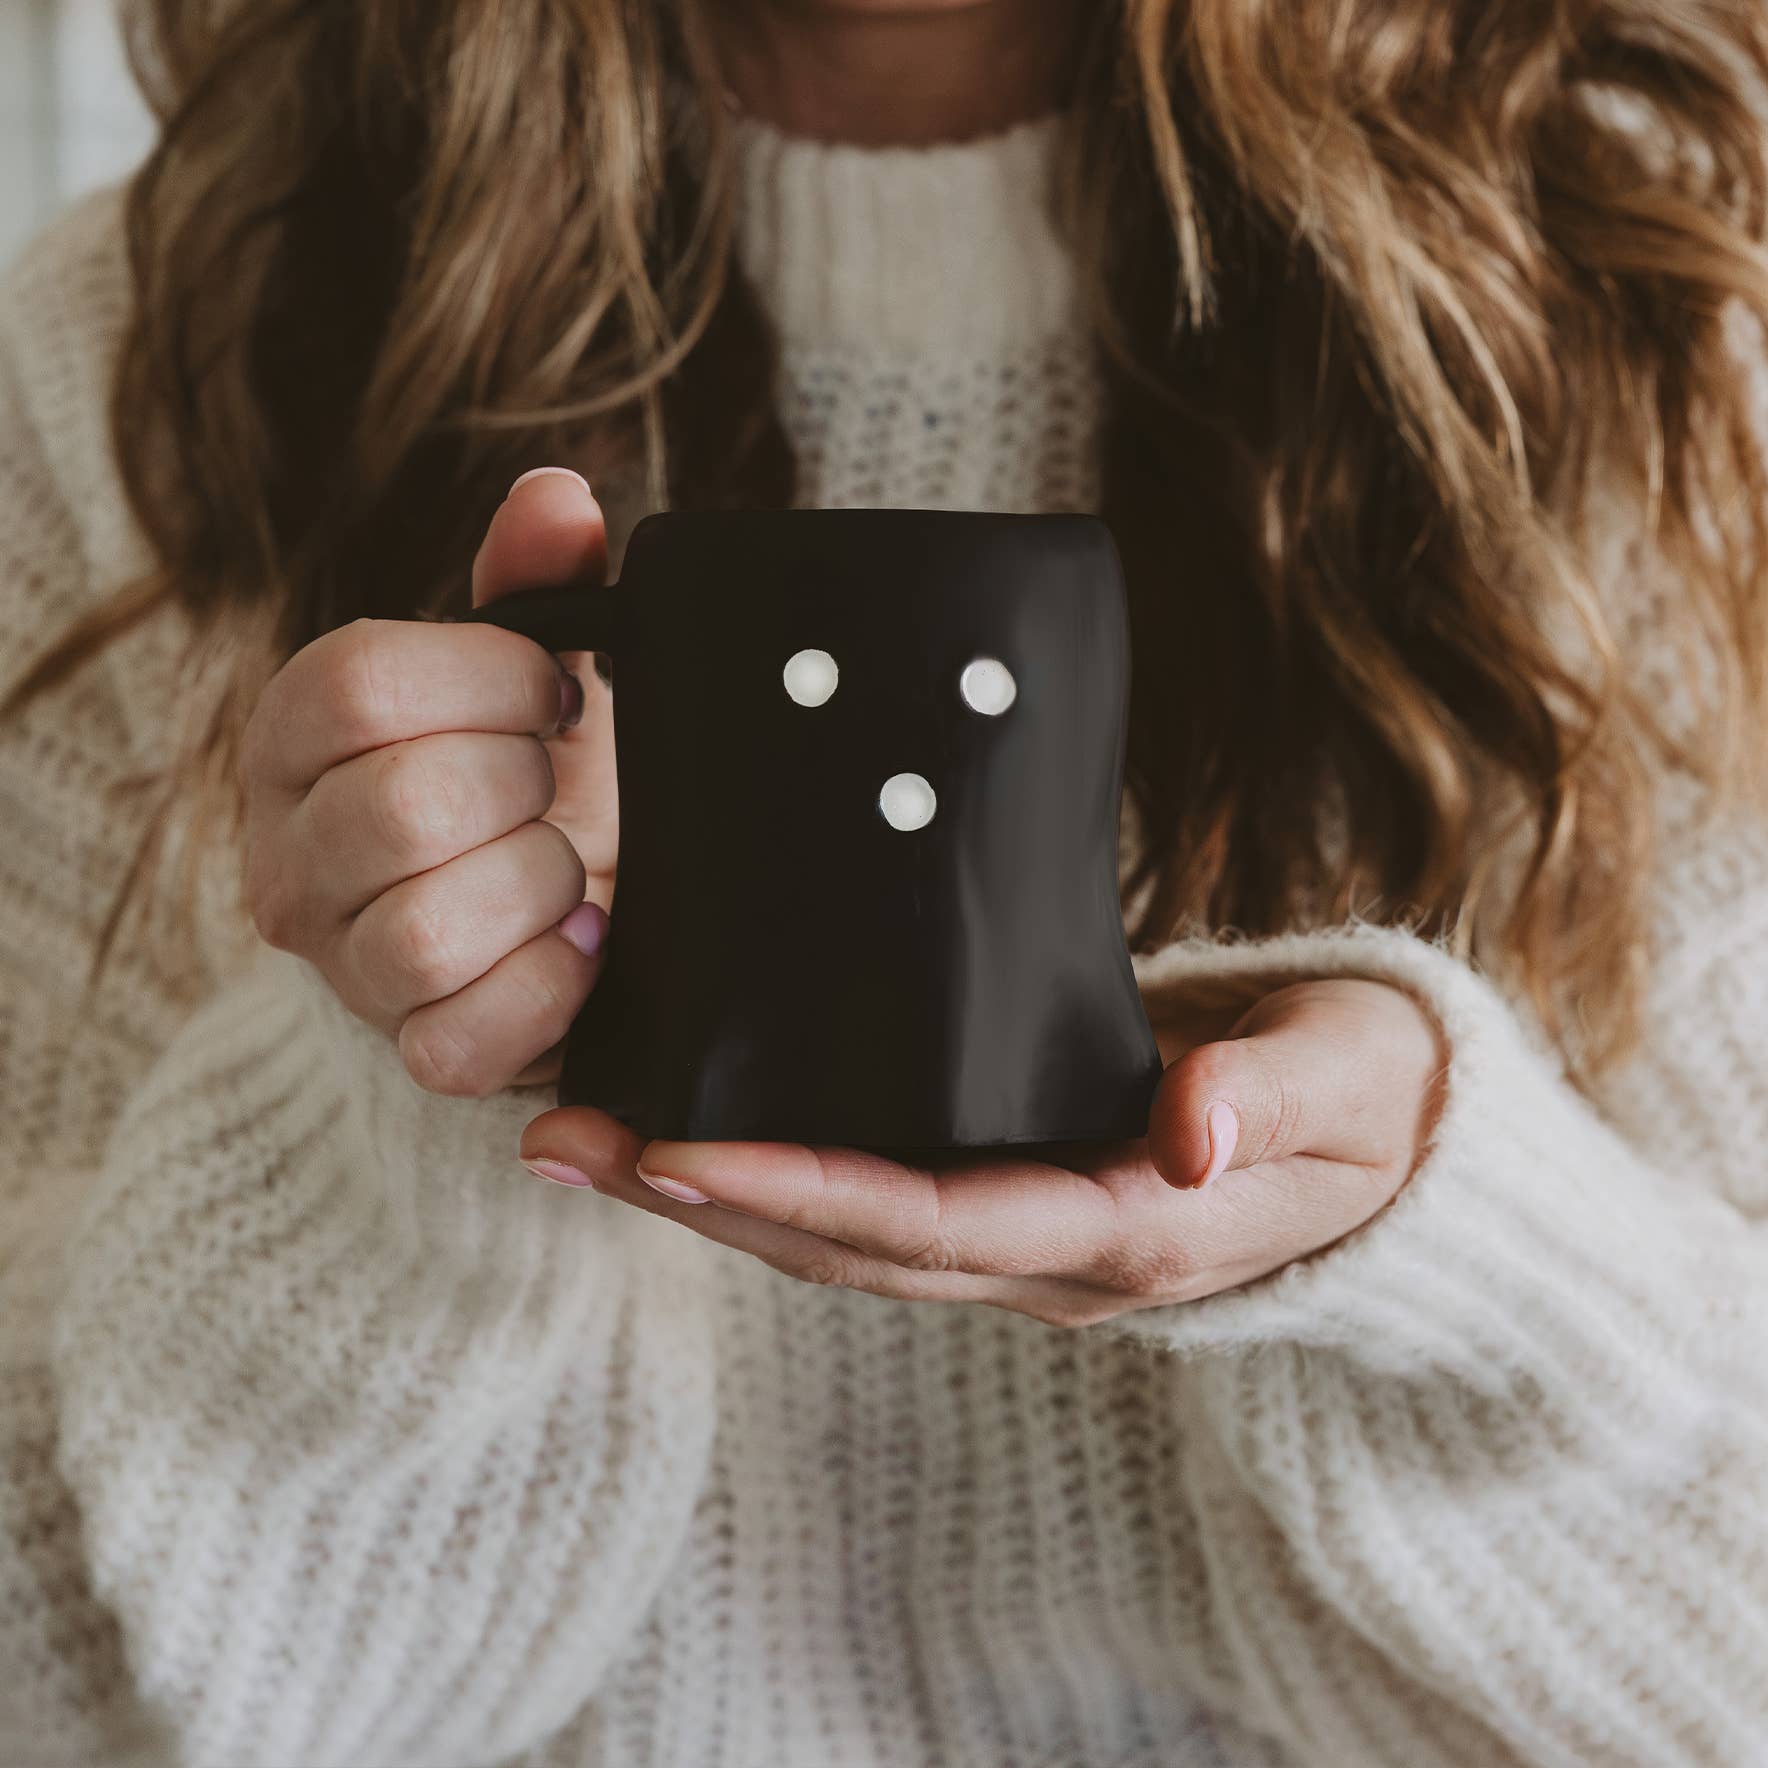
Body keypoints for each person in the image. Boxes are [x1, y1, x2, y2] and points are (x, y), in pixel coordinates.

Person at [2, 0, 1766, 1762]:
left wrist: (1448, 1247)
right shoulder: (146, 349)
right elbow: (52, 1672)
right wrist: (388, 1129)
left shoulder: (1663, 305)